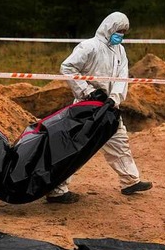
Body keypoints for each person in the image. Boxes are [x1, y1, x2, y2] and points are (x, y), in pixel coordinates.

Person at [46, 11, 152, 204]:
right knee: (77, 147)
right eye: (118, 30)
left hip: (109, 107)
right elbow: (67, 67)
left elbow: (122, 77)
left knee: (120, 141)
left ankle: (130, 181)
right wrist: (87, 91)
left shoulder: (120, 50)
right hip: (87, 107)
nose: (120, 34)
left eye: (123, 32)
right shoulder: (89, 47)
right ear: (109, 27)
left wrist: (114, 99)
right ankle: (57, 190)